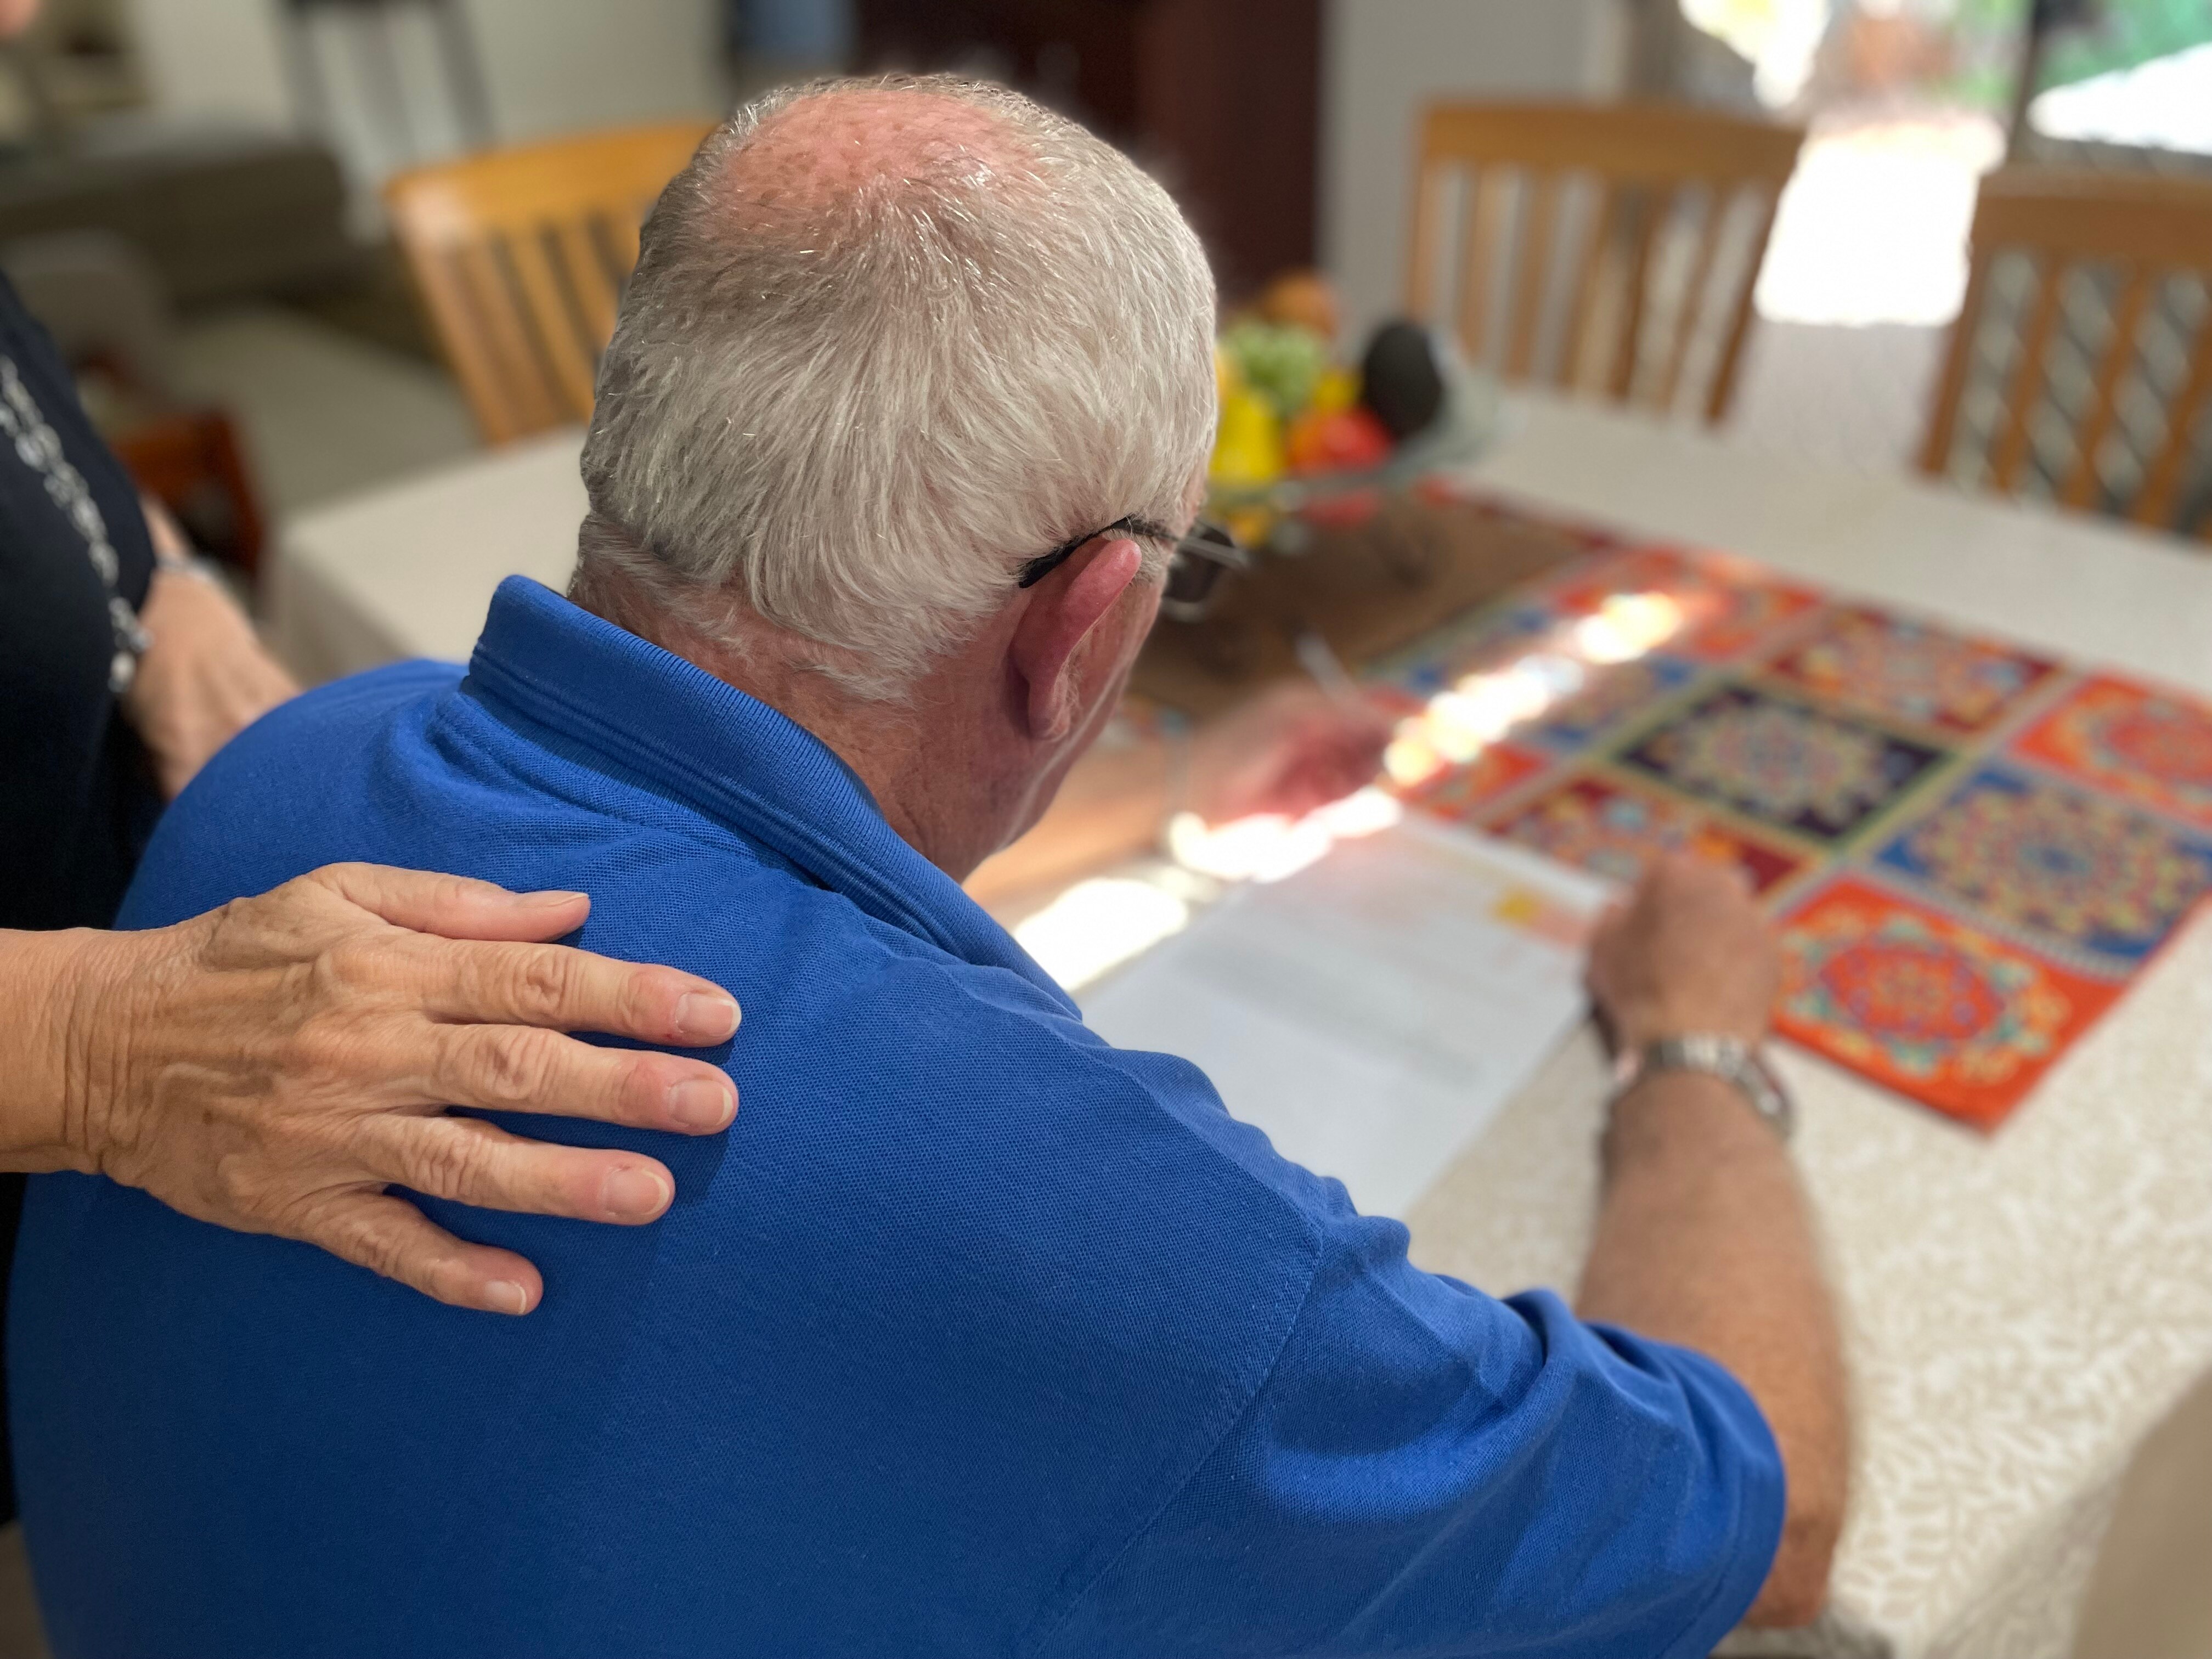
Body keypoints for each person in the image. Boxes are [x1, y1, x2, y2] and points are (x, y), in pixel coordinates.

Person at [15, 76, 1846, 1658]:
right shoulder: (1136, 1255)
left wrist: (1160, 794)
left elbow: (738, 894)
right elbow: (1771, 1501)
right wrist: (1697, 1040)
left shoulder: (270, 780)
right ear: (1084, 629)